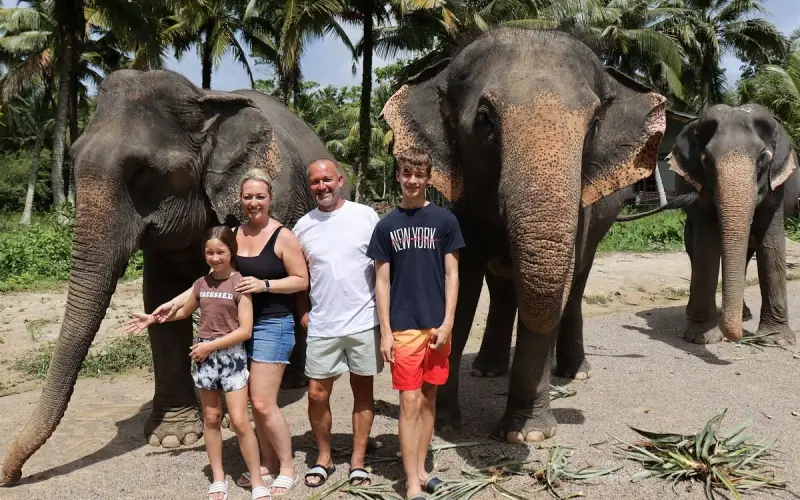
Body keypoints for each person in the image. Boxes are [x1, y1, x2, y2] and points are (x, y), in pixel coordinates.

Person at [150, 169, 308, 497]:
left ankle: (287, 466)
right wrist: (166, 307)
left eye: (259, 196)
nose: (253, 202)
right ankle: (265, 464)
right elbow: (209, 281)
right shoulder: (233, 235)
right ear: (240, 199)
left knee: (263, 403)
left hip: (271, 324)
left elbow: (301, 280)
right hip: (235, 329)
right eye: (247, 196)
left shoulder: (283, 236)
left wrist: (265, 284)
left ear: (270, 198)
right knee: (251, 400)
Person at [124, 226, 271, 500]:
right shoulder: (202, 284)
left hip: (231, 358)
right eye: (209, 252)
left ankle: (258, 480)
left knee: (239, 421)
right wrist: (153, 319)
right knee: (212, 418)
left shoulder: (240, 284)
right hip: (206, 358)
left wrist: (209, 346)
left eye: (220, 252)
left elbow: (245, 330)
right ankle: (217, 478)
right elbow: (182, 311)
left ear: (231, 252)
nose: (215, 258)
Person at [366, 148, 464, 500]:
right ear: (398, 176)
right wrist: (386, 332)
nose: (412, 180)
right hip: (404, 328)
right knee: (408, 402)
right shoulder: (386, 226)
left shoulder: (445, 221)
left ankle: (422, 470)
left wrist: (450, 320)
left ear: (427, 178)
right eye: (406, 173)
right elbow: (381, 281)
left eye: (419, 175)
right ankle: (410, 482)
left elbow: (453, 274)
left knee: (428, 397)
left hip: (437, 327)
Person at [292, 159, 382, 488]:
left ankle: (357, 462)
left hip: (362, 320)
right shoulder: (302, 227)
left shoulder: (365, 217)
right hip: (322, 324)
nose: (322, 187)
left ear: (340, 180)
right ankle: (324, 458)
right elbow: (299, 276)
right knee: (316, 394)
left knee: (363, 392)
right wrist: (302, 310)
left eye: (327, 180)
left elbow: (382, 269)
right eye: (315, 182)